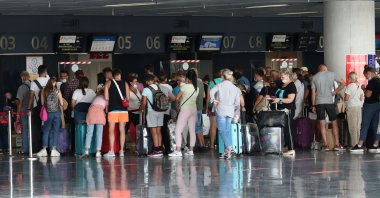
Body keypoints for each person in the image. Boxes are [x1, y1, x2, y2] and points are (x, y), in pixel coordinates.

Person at [311, 64, 345, 151]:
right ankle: (337, 144)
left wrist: (313, 105)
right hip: (329, 102)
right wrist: (335, 92)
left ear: (319, 70)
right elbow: (343, 83)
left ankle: (325, 145)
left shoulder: (314, 77)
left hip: (319, 102)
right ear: (325, 68)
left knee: (322, 123)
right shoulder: (332, 74)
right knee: (334, 122)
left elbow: (313, 93)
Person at [210, 69, 240, 159]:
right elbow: (237, 103)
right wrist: (233, 108)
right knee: (227, 131)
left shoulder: (219, 85)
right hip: (230, 110)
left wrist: (213, 100)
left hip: (221, 109)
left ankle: (229, 147)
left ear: (222, 77)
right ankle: (227, 151)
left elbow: (211, 92)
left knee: (222, 131)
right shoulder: (235, 88)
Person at [169, 70, 199, 157]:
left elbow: (177, 98)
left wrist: (177, 105)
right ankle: (191, 150)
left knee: (178, 130)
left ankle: (178, 151)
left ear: (187, 78)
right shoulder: (197, 88)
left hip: (185, 109)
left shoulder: (184, 87)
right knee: (192, 130)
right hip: (194, 109)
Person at [350, 67, 380, 153]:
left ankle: (359, 145)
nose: (366, 77)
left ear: (369, 73)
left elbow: (368, 95)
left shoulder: (372, 82)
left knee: (365, 124)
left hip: (370, 105)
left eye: (366, 75)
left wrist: (363, 89)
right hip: (378, 105)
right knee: (376, 125)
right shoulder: (379, 81)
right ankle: (376, 145)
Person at [103, 69, 130, 158]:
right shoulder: (125, 83)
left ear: (113, 75)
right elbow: (128, 97)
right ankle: (121, 151)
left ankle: (111, 151)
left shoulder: (108, 83)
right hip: (123, 110)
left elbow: (106, 98)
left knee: (111, 130)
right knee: (122, 130)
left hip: (113, 109)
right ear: (120, 75)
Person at [272, 70, 298, 156]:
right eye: (281, 76)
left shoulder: (291, 86)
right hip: (280, 110)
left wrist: (279, 99)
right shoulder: (282, 85)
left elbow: (290, 99)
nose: (281, 78)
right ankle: (286, 146)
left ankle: (291, 148)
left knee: (288, 129)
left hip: (288, 110)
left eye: (283, 76)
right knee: (283, 128)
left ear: (288, 76)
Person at [36, 77, 64, 157]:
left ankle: (44, 149)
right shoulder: (57, 91)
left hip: (47, 113)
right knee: (55, 131)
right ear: (54, 83)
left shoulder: (43, 91)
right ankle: (54, 150)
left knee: (46, 131)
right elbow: (61, 103)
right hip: (56, 113)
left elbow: (42, 103)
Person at [140, 74, 164, 157]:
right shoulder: (159, 87)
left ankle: (156, 150)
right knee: (158, 131)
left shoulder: (146, 89)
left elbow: (143, 102)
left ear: (147, 81)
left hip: (152, 112)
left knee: (154, 131)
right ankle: (160, 149)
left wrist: (141, 109)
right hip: (160, 111)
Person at [28, 65, 49, 153]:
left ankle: (37, 149)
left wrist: (29, 108)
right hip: (49, 108)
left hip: (38, 108)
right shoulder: (49, 81)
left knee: (36, 129)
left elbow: (31, 97)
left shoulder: (33, 82)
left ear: (38, 72)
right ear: (45, 72)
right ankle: (47, 148)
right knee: (48, 128)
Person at [83, 89, 107, 158]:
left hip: (91, 113)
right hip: (100, 113)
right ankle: (98, 152)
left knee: (89, 132)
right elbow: (106, 110)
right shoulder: (106, 99)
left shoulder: (96, 97)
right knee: (99, 133)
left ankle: (86, 151)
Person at [343, 72, 364, 148]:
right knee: (358, 126)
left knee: (352, 127)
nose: (348, 79)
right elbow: (362, 98)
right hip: (359, 108)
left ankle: (354, 145)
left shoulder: (350, 86)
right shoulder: (359, 86)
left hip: (351, 108)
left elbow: (346, 98)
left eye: (348, 77)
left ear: (351, 78)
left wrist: (343, 97)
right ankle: (358, 144)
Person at [158, 72, 176, 154]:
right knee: (165, 129)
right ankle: (167, 147)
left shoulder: (156, 87)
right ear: (165, 79)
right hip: (166, 111)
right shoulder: (168, 87)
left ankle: (158, 147)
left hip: (157, 111)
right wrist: (167, 101)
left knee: (158, 130)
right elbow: (173, 98)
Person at [16, 71, 31, 155]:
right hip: (33, 112)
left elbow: (20, 102)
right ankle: (33, 148)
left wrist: (18, 114)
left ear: (23, 77)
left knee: (24, 131)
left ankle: (25, 149)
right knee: (32, 131)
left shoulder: (22, 87)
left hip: (24, 112)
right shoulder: (33, 85)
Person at [207, 71, 222, 150]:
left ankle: (212, 145)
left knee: (213, 125)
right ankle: (222, 144)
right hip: (224, 106)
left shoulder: (211, 83)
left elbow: (208, 97)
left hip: (213, 106)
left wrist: (207, 107)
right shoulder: (225, 82)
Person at [191, 68, 206, 149]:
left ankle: (201, 145)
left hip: (194, 107)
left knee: (196, 126)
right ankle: (202, 144)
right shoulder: (201, 82)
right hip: (200, 107)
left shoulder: (192, 83)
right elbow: (204, 95)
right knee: (199, 125)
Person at [127, 73, 142, 138]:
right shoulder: (127, 90)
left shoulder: (137, 88)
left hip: (138, 113)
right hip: (130, 113)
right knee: (125, 130)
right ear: (130, 82)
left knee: (139, 130)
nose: (136, 80)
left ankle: (139, 146)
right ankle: (123, 146)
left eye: (136, 79)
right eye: (134, 79)